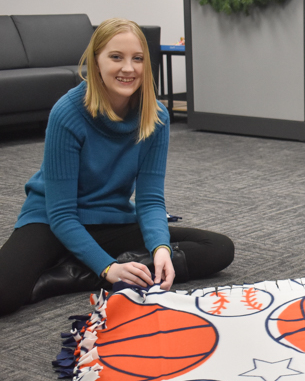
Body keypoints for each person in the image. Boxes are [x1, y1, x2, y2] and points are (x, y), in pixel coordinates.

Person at [0, 18, 234, 316]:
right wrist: (107, 266)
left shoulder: (156, 117)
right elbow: (61, 214)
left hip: (109, 219)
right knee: (4, 294)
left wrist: (161, 248)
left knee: (217, 248)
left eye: (137, 59)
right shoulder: (68, 112)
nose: (128, 68)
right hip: (51, 220)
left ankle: (70, 273)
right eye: (116, 57)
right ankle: (101, 267)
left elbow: (149, 201)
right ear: (96, 62)